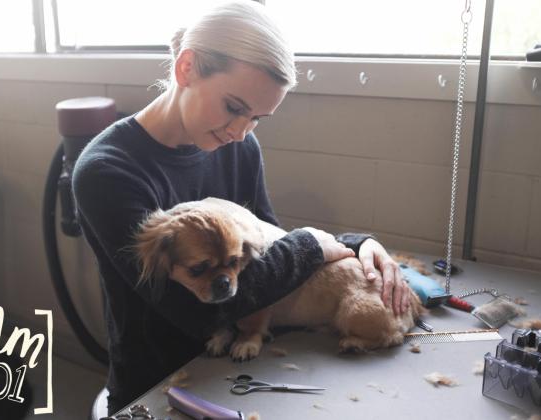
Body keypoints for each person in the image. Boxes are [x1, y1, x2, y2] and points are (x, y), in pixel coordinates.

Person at [72, 1, 409, 414]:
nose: (240, 131)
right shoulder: (107, 171)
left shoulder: (238, 146)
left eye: (257, 118)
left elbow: (266, 252)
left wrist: (354, 246)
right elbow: (190, 310)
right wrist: (310, 246)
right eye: (234, 107)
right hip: (158, 383)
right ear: (186, 68)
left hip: (243, 366)